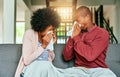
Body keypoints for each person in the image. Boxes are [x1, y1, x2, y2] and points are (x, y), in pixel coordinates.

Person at [62, 6, 117, 77]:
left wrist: (76, 37)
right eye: (75, 21)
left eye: (78, 20)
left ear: (87, 17)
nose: (76, 23)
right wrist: (72, 38)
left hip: (99, 70)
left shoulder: (102, 33)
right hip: (79, 70)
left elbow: (90, 56)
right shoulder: (76, 34)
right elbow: (66, 57)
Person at [15, 8, 61, 77]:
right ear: (42, 26)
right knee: (45, 65)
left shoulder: (48, 37)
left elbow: (51, 58)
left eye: (53, 29)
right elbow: (27, 61)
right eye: (50, 29)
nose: (52, 32)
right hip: (31, 69)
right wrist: (43, 46)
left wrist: (51, 46)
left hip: (45, 69)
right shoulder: (29, 34)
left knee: (48, 65)